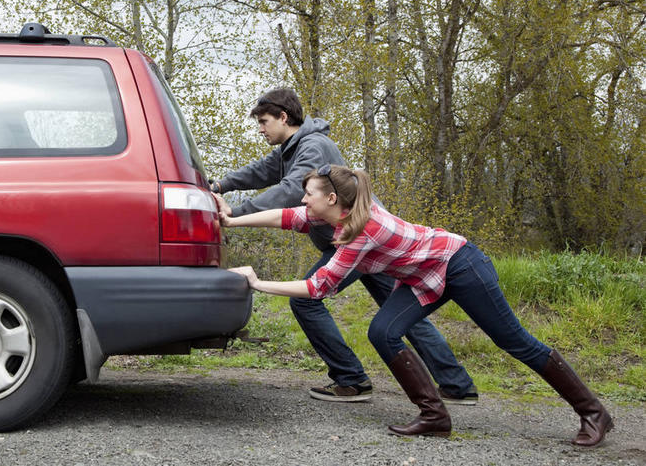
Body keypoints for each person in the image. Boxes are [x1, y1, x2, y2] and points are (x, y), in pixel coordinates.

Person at [223, 164, 613, 446]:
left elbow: (318, 286)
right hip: (425, 276)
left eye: (309, 193)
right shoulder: (339, 214)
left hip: (461, 265)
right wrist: (231, 221)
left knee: (513, 340)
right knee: (383, 331)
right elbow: (287, 217)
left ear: (331, 198)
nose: (303, 199)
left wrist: (257, 283)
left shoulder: (361, 231)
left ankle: (594, 412)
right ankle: (434, 416)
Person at [212, 88, 477, 404]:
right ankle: (457, 385)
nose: (260, 129)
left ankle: (350, 379)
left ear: (283, 117)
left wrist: (235, 213)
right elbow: (260, 172)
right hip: (369, 244)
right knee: (398, 311)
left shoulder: (312, 147)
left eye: (264, 121)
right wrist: (219, 185)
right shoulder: (291, 149)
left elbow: (289, 192)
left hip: (357, 240)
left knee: (306, 302)